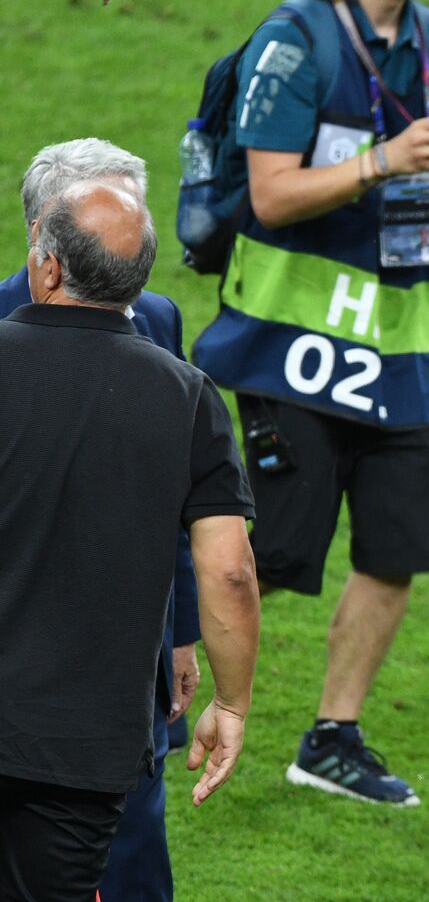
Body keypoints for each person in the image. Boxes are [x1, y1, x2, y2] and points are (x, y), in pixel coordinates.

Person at [192, 0, 429, 805]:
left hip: (403, 344)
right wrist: (384, 159)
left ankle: (332, 737)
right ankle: (169, 671)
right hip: (286, 339)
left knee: (397, 542)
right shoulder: (298, 43)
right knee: (272, 548)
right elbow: (269, 195)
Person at [0, 159, 259, 900]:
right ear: (137, 286)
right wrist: (232, 702)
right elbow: (230, 571)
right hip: (83, 746)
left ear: (45, 267)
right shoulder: (187, 397)